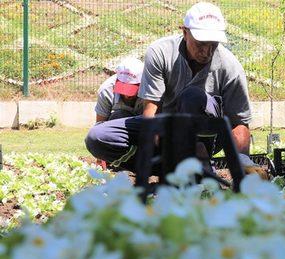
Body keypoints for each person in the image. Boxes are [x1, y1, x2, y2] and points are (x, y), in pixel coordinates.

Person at [85, 2, 267, 179]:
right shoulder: (160, 53)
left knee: (192, 96)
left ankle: (198, 157)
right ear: (185, 32)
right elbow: (150, 112)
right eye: (201, 43)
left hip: (208, 132)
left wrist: (244, 162)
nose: (207, 51)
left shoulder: (230, 68)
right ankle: (173, 168)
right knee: (98, 138)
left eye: (213, 44)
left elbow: (239, 122)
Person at [95, 57, 145, 123]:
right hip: (119, 127)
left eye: (131, 89)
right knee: (117, 116)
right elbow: (100, 126)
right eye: (123, 88)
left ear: (142, 82)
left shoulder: (152, 88)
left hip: (145, 126)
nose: (126, 95)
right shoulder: (106, 90)